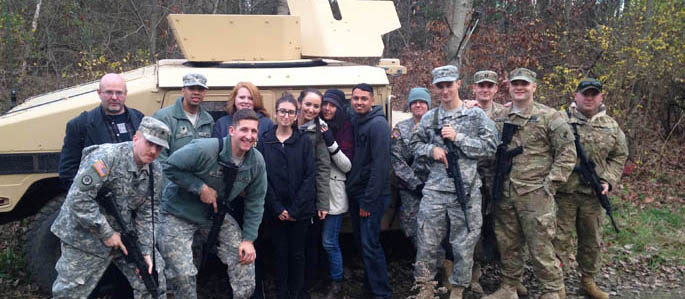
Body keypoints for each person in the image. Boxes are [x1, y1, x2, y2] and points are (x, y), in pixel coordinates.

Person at [51, 116, 170, 298]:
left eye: (159, 147)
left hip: (123, 235)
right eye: (149, 143)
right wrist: (106, 232)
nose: (153, 151)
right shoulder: (106, 157)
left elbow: (148, 213)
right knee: (71, 291)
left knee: (152, 278)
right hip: (84, 234)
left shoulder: (155, 171)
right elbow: (78, 199)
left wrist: (147, 251)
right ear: (136, 138)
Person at [484, 68, 576, 299]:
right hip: (505, 191)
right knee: (507, 243)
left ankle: (553, 290)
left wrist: (551, 184)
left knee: (541, 244)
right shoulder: (500, 117)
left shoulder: (550, 117)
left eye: (524, 83)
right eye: (515, 83)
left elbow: (567, 153)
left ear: (534, 87)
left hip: (535, 193)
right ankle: (509, 287)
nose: (519, 87)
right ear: (509, 87)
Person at [158, 109, 267, 299]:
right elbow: (169, 166)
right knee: (183, 274)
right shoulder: (204, 149)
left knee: (244, 258)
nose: (249, 136)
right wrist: (199, 187)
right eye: (244, 130)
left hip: (213, 215)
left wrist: (249, 240)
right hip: (178, 213)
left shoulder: (256, 161)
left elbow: (256, 201)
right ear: (231, 131)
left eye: (253, 131)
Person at [410, 65, 498, 299]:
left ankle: (458, 288)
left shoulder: (475, 115)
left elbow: (490, 147)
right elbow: (414, 145)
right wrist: (432, 150)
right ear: (436, 88)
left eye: (449, 84)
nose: (445, 90)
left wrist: (459, 139)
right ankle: (425, 286)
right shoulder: (430, 117)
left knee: (464, 243)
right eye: (441, 86)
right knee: (427, 241)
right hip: (436, 191)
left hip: (466, 190)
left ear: (458, 84)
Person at [553, 78, 627, 299]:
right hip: (564, 193)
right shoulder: (559, 120)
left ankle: (587, 281)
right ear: (576, 95)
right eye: (585, 93)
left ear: (601, 97)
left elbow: (619, 156)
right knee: (558, 239)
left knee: (592, 240)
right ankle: (557, 285)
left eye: (594, 94)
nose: (589, 97)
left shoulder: (611, 126)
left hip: (593, 196)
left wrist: (609, 180)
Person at [467, 70, 528, 296]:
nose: (485, 90)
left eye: (489, 86)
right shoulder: (466, 111)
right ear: (474, 88)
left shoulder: (506, 113)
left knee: (506, 229)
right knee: (474, 227)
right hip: (473, 178)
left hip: (500, 178)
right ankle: (474, 275)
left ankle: (510, 279)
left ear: (495, 89)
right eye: (481, 86)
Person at [211, 81, 273, 299]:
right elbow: (216, 154)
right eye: (241, 97)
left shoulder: (265, 124)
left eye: (249, 98)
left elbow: (265, 157)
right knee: (229, 248)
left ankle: (256, 292)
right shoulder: (222, 123)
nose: (245, 101)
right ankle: (232, 291)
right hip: (228, 196)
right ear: (234, 100)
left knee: (253, 243)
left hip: (253, 194)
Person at [257, 93, 316, 299]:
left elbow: (310, 177)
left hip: (299, 211)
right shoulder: (265, 141)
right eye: (282, 111)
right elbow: (262, 177)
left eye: (291, 112)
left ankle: (298, 292)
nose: (286, 115)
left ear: (296, 115)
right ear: (275, 113)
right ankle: (282, 292)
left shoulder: (304, 142)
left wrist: (294, 210)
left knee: (298, 254)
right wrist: (278, 208)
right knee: (280, 254)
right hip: (275, 210)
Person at [59, 73, 144, 190]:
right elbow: (68, 171)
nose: (114, 97)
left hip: (135, 198)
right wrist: (86, 196)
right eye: (109, 92)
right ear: (99, 93)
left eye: (119, 92)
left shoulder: (140, 120)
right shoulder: (81, 125)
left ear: (125, 94)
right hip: (100, 199)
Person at [346, 83, 392, 299]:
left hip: (371, 196)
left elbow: (381, 167)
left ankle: (382, 293)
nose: (359, 102)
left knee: (371, 245)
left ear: (372, 101)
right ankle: (370, 286)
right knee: (362, 244)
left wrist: (368, 202)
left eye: (364, 98)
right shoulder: (357, 121)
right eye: (356, 98)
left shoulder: (378, 125)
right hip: (357, 193)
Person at [296, 88, 332, 298]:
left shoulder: (319, 131)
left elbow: (323, 167)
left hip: (309, 194)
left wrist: (323, 203)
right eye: (308, 104)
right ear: (300, 103)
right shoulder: (287, 122)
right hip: (286, 192)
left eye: (316, 106)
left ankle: (308, 283)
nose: (311, 109)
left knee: (309, 243)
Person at [319, 88, 354, 299]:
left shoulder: (345, 128)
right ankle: (323, 276)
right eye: (325, 104)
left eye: (332, 105)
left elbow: (347, 165)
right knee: (318, 241)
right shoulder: (316, 124)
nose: (327, 109)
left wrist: (330, 141)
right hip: (315, 192)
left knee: (329, 241)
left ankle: (337, 281)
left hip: (334, 193)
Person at [391, 87, 431, 246]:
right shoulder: (401, 128)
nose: (419, 105)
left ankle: (441, 264)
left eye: (422, 102)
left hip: (435, 186)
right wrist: (416, 185)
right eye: (415, 102)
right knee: (412, 227)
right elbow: (397, 160)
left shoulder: (437, 125)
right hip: (411, 189)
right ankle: (423, 263)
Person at [153, 73, 214, 162]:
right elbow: (158, 156)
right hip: (172, 174)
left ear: (205, 92)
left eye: (200, 89)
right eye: (191, 88)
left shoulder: (208, 120)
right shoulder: (164, 117)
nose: (196, 93)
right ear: (183, 91)